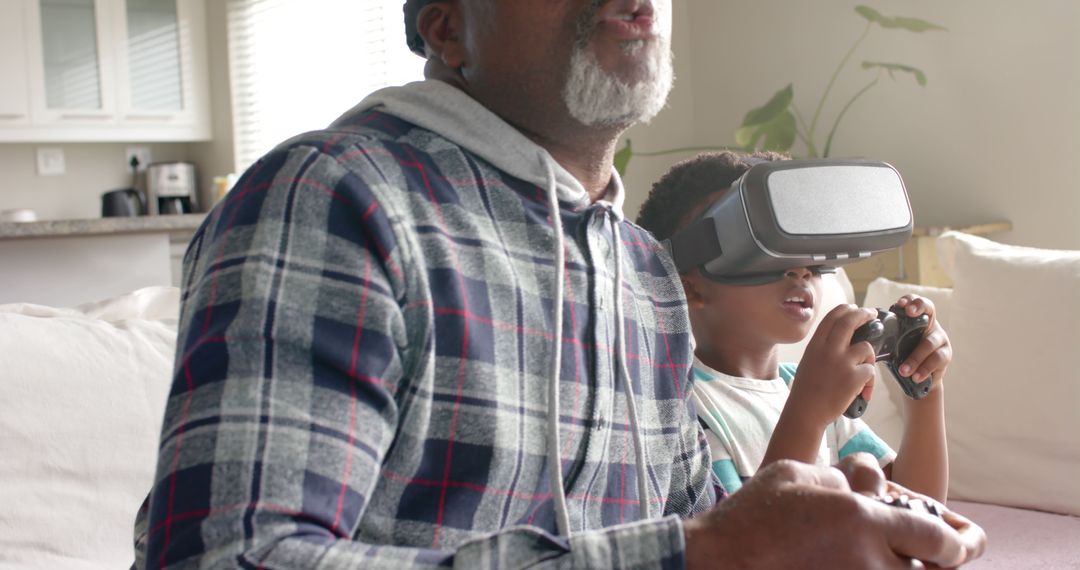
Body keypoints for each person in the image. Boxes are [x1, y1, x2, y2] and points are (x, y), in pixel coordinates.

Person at [133, 1, 985, 568]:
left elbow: (699, 531)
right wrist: (707, 555)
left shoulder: (646, 272)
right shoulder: (336, 197)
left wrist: (817, 529)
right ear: (449, 28)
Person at [636, 150, 951, 503]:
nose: (800, 269)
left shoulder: (804, 386)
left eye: (805, 252)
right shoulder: (686, 406)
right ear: (690, 286)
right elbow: (744, 541)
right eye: (762, 248)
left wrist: (925, 391)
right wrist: (808, 413)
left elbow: (922, 512)